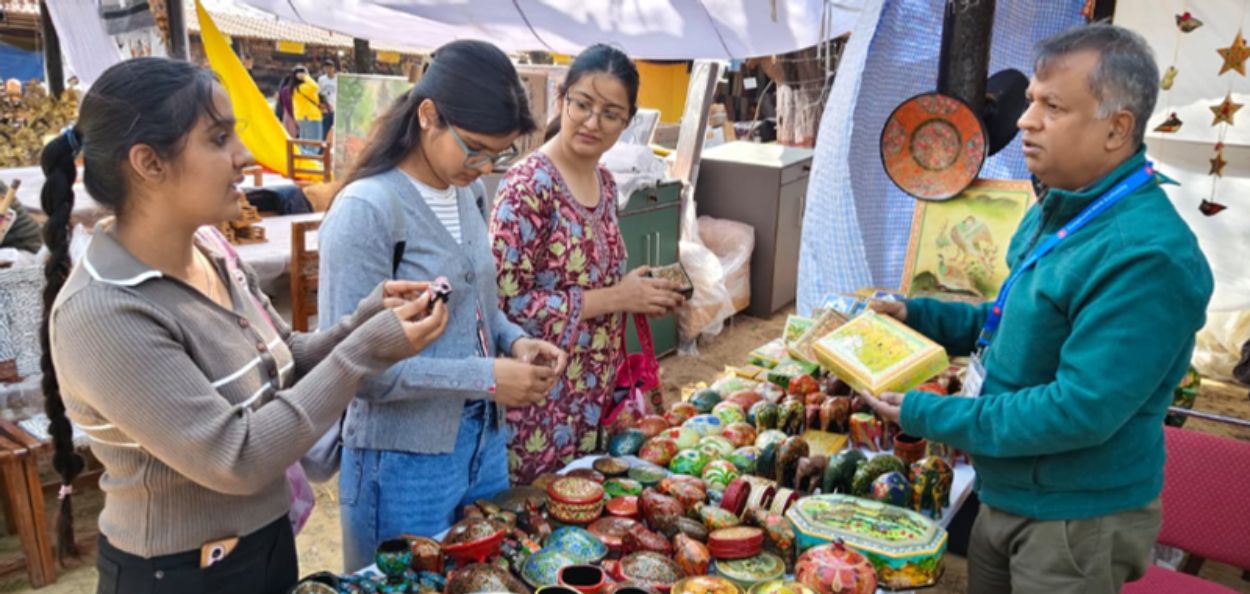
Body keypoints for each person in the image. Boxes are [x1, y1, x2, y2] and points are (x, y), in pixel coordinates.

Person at [39, 57, 448, 594]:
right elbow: (237, 457)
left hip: (262, 544)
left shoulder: (210, 249)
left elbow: (282, 357)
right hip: (181, 575)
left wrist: (361, 322)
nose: (245, 155)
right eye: (218, 138)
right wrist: (362, 352)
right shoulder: (105, 313)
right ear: (148, 163)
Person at [863, 23, 1213, 594]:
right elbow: (1018, 322)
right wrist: (921, 316)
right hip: (1010, 490)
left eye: (1053, 107)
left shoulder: (1147, 256)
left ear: (1117, 128)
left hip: (1073, 519)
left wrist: (932, 415)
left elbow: (1079, 410)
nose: (1025, 121)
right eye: (1030, 101)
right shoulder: (1065, 206)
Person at [317, 39, 567, 572]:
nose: (485, 166)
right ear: (427, 115)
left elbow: (481, 309)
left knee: (485, 577)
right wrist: (486, 377)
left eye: (499, 154)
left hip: (483, 443)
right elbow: (356, 372)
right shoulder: (368, 210)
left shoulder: (467, 193)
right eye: (474, 148)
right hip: (402, 462)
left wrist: (516, 340)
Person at [491, 45, 685, 484]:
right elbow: (505, 305)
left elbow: (596, 278)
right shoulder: (527, 186)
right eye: (582, 104)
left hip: (595, 398)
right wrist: (618, 297)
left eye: (611, 113)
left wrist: (638, 292)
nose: (593, 122)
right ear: (562, 99)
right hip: (538, 405)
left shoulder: (605, 181)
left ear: (627, 121)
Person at [290, 65, 322, 151]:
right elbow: (315, 86)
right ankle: (309, 159)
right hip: (309, 117)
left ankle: (304, 158)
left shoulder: (297, 88)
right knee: (313, 145)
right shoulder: (302, 88)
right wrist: (306, 77)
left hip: (305, 117)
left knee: (305, 143)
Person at [317, 58, 338, 141]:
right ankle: (323, 145)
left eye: (330, 67)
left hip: (335, 107)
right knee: (324, 129)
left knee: (335, 129)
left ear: (333, 68)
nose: (328, 69)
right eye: (326, 67)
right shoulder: (321, 79)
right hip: (326, 108)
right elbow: (319, 92)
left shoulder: (337, 78)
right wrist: (322, 105)